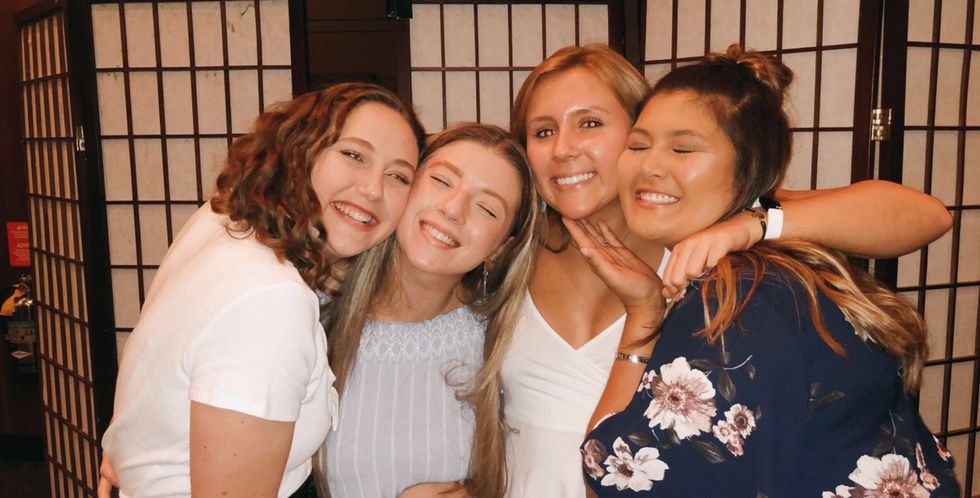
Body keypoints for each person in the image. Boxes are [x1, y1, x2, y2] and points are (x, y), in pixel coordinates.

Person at [501, 43, 954, 497]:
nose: (563, 148)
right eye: (542, 131)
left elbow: (928, 215)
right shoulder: (509, 248)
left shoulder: (720, 238)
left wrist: (752, 224)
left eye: (590, 123)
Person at [99, 82, 426, 498]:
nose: (374, 188)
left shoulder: (226, 218)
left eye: (398, 176)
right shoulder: (273, 301)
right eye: (354, 155)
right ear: (300, 149)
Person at [319, 123, 539, 498]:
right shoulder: (313, 311)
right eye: (440, 181)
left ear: (502, 246)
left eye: (487, 208)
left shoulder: (502, 340)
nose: (453, 209)